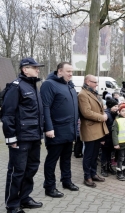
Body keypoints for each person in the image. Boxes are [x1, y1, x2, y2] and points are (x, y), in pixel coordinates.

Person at [1, 58, 44, 212]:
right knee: (17, 171)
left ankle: (24, 198)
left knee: (31, 169)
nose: (38, 70)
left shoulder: (33, 87)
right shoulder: (16, 87)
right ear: (25, 69)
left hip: (34, 137)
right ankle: (12, 205)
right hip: (21, 138)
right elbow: (7, 115)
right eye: (35, 67)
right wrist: (11, 138)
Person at [40, 62, 79, 198]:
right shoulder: (49, 84)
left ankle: (66, 181)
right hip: (56, 130)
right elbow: (45, 107)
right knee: (52, 160)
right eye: (68, 71)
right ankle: (49, 187)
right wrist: (48, 128)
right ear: (59, 71)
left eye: (72, 72)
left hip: (70, 130)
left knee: (66, 158)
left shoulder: (69, 86)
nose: (71, 74)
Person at [78, 75, 109, 187]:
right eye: (94, 82)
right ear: (87, 81)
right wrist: (102, 117)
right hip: (90, 128)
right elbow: (86, 112)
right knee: (89, 155)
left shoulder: (93, 92)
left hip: (97, 128)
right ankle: (87, 177)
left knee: (95, 154)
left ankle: (93, 173)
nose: (97, 84)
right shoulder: (83, 94)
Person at [101, 98, 118, 177]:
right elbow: (102, 127)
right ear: (110, 106)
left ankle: (109, 166)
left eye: (117, 106)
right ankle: (104, 168)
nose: (116, 107)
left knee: (110, 153)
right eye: (115, 106)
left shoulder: (114, 114)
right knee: (104, 153)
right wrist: (102, 139)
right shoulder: (106, 114)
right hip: (106, 138)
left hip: (112, 138)